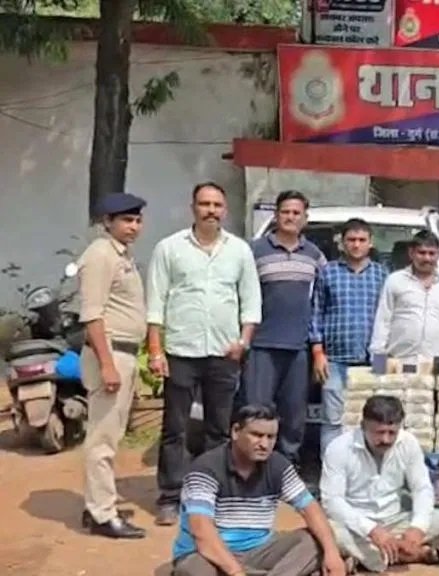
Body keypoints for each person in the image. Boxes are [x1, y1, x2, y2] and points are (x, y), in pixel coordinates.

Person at [147, 182, 262, 526]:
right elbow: (155, 303)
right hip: (181, 351)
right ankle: (170, 496)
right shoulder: (169, 248)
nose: (211, 210)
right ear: (193, 207)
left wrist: (243, 342)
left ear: (224, 210)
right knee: (175, 428)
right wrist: (155, 350)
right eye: (204, 204)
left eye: (216, 205)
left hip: (224, 353)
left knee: (219, 429)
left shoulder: (239, 250)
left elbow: (251, 301)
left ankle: (209, 494)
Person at [170, 404, 345, 576]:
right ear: (235, 431)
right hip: (208, 555)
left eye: (271, 437)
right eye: (257, 435)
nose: (264, 444)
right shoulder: (206, 469)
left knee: (314, 541)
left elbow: (310, 509)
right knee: (193, 570)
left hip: (258, 551)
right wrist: (236, 572)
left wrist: (332, 553)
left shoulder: (278, 465)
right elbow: (202, 532)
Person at [367, 230, 439, 498]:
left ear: (438, 255)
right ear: (411, 253)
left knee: (430, 421)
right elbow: (383, 319)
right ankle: (396, 480)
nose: (426, 258)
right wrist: (378, 357)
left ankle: (428, 480)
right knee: (400, 418)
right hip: (400, 362)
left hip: (437, 363)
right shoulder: (395, 281)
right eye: (421, 252)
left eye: (431, 253)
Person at [78, 193, 149, 539]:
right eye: (126, 220)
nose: (133, 227)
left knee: (111, 435)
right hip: (110, 353)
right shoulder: (100, 255)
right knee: (102, 438)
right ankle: (102, 514)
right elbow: (92, 315)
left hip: (124, 354)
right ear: (107, 222)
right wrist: (107, 365)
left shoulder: (121, 255)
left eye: (137, 220)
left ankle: (98, 504)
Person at [239, 190, 326, 465]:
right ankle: (253, 467)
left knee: (293, 414)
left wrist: (317, 347)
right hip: (261, 345)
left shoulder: (314, 255)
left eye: (296, 213)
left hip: (299, 348)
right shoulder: (254, 250)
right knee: (256, 411)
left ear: (305, 218)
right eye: (285, 212)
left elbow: (323, 298)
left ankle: (287, 466)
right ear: (276, 215)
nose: (290, 217)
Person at [320, 395, 439, 573]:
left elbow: (422, 488)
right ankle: (408, 555)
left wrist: (417, 528)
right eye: (379, 433)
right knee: (328, 532)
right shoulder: (339, 448)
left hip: (394, 520)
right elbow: (332, 501)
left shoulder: (408, 443)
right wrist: (371, 530)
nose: (386, 440)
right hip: (355, 525)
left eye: (392, 433)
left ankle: (368, 557)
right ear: (363, 426)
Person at [310, 218, 388, 453]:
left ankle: (366, 468)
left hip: (373, 359)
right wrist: (318, 352)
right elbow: (316, 313)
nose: (356, 245)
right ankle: (332, 469)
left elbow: (389, 318)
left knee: (374, 417)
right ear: (342, 243)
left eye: (362, 240)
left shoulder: (382, 274)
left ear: (370, 243)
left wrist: (384, 361)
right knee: (333, 420)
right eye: (351, 240)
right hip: (333, 359)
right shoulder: (328, 272)